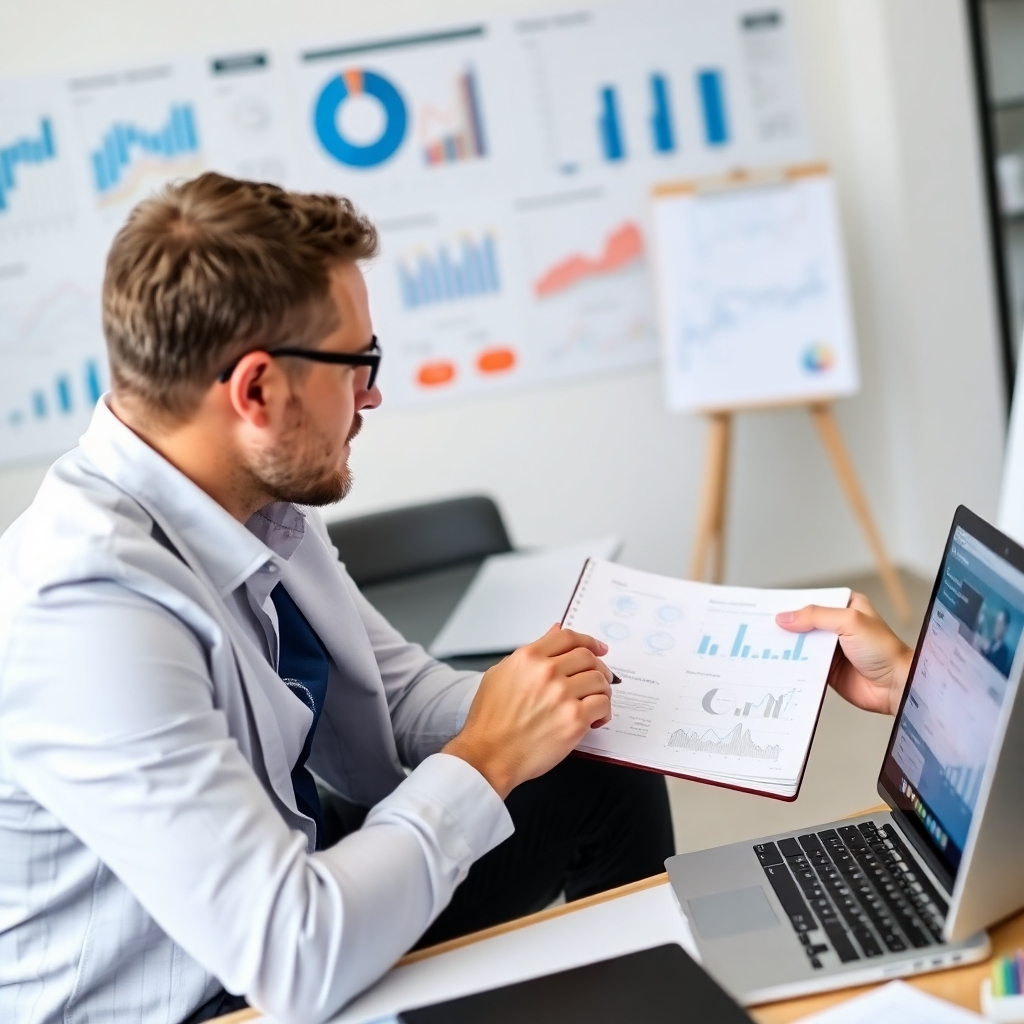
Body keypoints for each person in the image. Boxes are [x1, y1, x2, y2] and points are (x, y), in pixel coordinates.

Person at [0, 173, 914, 1024]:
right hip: (205, 993)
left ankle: (654, 994)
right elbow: (291, 951)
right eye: (357, 362)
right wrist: (485, 759)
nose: (374, 394)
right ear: (257, 388)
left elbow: (398, 701)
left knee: (594, 763)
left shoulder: (250, 501)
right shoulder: (85, 611)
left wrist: (700, 672)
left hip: (282, 901)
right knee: (508, 778)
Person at [985, 607, 1013, 676]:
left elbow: (996, 672)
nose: (996, 626)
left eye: (1000, 623)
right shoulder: (991, 642)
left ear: (1006, 627)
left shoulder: (1004, 652)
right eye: (996, 622)